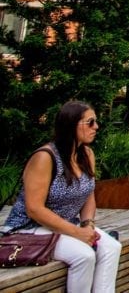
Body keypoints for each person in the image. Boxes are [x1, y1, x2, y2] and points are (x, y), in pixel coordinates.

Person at [2, 101, 122, 292]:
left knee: (112, 248)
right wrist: (77, 233)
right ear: (71, 124)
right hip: (30, 228)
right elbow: (34, 209)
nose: (96, 127)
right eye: (90, 122)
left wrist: (87, 225)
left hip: (67, 224)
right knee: (84, 255)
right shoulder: (45, 157)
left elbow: (88, 195)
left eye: (96, 122)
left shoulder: (87, 154)